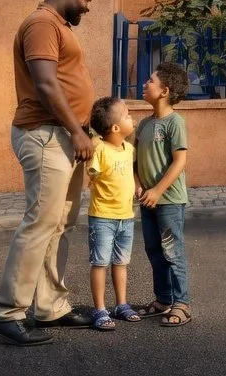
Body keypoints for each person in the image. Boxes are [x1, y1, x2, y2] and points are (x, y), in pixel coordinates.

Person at [0, 0, 98, 347]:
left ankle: (50, 306)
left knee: (61, 223)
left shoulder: (59, 27)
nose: (87, 7)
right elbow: (46, 84)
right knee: (40, 223)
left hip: (65, 137)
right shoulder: (41, 24)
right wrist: (76, 131)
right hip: (47, 135)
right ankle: (7, 314)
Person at [133, 62, 193, 327]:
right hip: (147, 200)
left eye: (150, 80)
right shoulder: (144, 124)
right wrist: (138, 183)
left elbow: (180, 161)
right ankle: (163, 299)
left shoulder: (174, 122)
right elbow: (135, 161)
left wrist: (158, 190)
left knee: (172, 252)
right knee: (154, 250)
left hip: (169, 200)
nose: (145, 84)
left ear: (164, 91)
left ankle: (182, 303)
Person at [86, 96, 142, 331]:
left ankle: (121, 304)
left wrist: (137, 186)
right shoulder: (99, 149)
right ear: (116, 128)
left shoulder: (129, 149)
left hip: (126, 216)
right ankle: (100, 309)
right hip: (102, 217)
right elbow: (92, 174)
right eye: (127, 115)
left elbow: (130, 173)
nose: (132, 118)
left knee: (121, 262)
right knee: (100, 263)